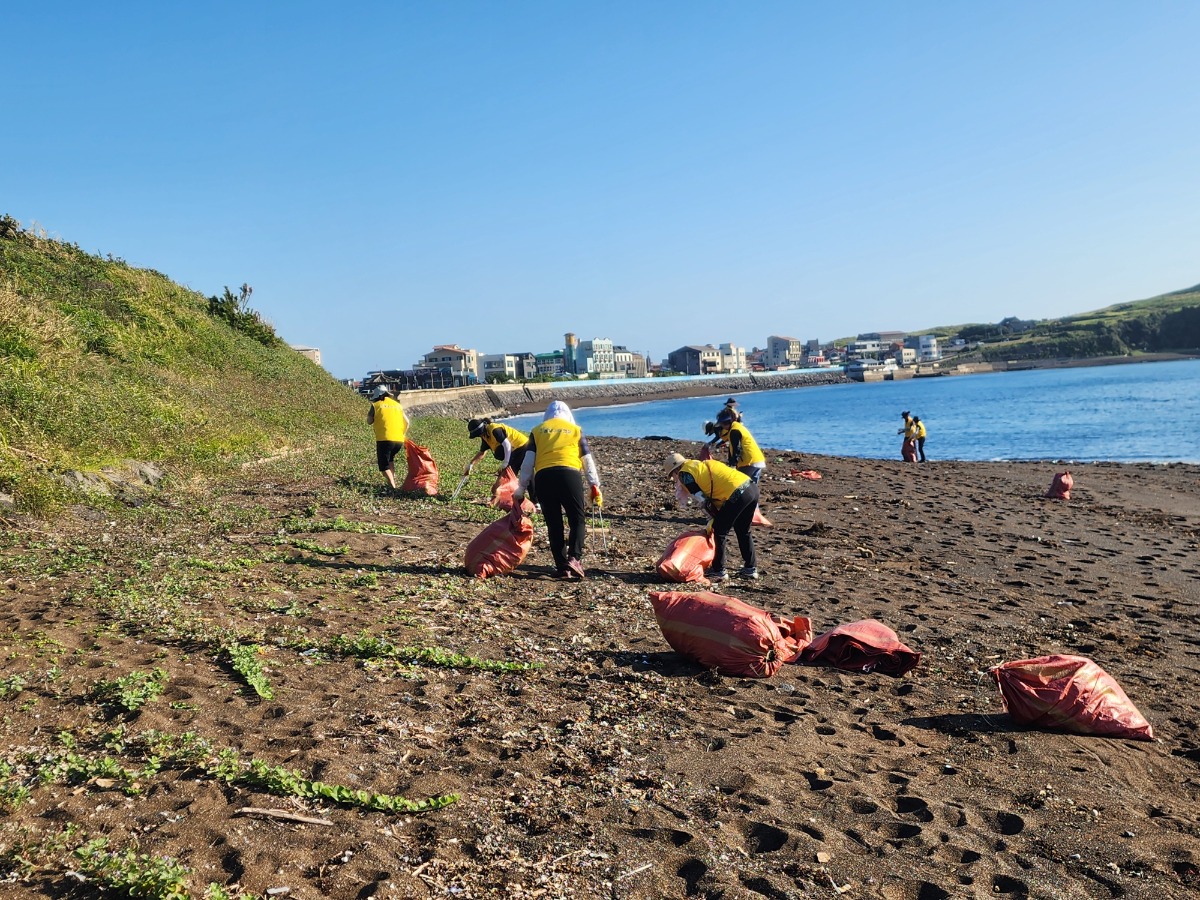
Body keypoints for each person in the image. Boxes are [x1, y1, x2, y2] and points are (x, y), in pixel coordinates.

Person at [514, 401, 602, 579]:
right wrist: (594, 485)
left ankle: (562, 567)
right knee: (577, 519)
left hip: (544, 478)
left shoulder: (537, 431)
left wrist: (521, 488)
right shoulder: (575, 430)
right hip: (570, 476)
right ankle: (574, 559)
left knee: (554, 524)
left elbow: (528, 463)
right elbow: (587, 461)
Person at [665, 451, 759, 581]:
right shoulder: (698, 465)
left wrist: (712, 517)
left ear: (675, 471)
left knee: (719, 531)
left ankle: (719, 570)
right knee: (743, 530)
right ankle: (751, 568)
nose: (675, 480)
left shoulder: (685, 474)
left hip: (737, 493)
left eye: (673, 476)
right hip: (751, 488)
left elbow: (702, 499)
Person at [367, 385, 410, 490]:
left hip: (384, 439)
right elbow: (407, 422)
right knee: (390, 460)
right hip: (399, 440)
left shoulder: (376, 405)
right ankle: (392, 482)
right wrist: (403, 434)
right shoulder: (397, 405)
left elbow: (369, 421)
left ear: (378, 396)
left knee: (383, 465)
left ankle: (393, 487)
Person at [463, 418, 531, 478]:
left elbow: (507, 445)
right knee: (510, 474)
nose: (480, 436)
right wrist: (471, 464)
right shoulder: (485, 436)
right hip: (513, 451)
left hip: (522, 446)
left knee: (509, 476)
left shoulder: (494, 430)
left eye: (480, 434)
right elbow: (482, 452)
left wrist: (506, 463)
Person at [714, 409, 766, 482]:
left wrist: (733, 465)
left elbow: (736, 449)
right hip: (758, 460)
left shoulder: (734, 431)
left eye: (722, 424)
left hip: (749, 462)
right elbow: (733, 448)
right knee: (752, 487)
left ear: (724, 423)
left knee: (739, 484)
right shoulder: (738, 427)